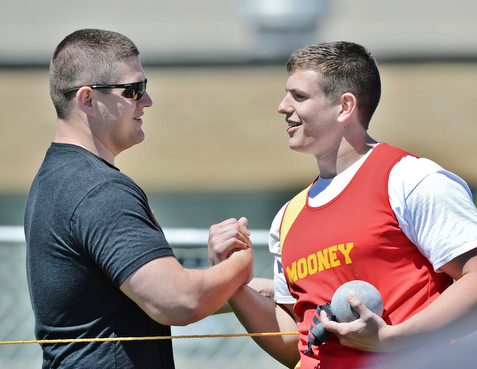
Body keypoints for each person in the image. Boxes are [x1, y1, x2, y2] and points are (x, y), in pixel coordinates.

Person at [209, 41, 477, 369]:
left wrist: (391, 339)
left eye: (299, 96)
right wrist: (229, 282)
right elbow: (296, 343)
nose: (282, 106)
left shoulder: (410, 178)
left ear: (344, 106)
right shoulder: (287, 217)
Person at [24, 29, 254, 369]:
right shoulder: (99, 190)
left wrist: (228, 279)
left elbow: (147, 295)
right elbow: (178, 301)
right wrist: (243, 264)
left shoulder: (53, 178)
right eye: (134, 90)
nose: (147, 101)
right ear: (87, 100)